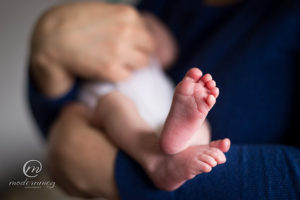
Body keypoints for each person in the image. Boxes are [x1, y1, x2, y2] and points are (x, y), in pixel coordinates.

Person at [28, 0, 300, 199]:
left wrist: (149, 33)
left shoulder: (140, 20)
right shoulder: (151, 8)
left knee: (201, 132)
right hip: (103, 103)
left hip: (160, 109)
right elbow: (58, 123)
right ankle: (157, 158)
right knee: (117, 108)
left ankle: (171, 147)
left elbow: (168, 52)